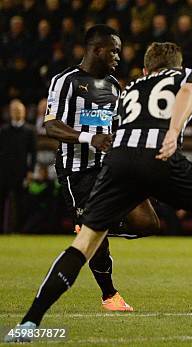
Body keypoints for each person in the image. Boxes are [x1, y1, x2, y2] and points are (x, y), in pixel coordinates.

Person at [4, 42, 192, 343]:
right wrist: (173, 136)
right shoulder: (187, 75)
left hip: (119, 160)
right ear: (176, 65)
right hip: (161, 154)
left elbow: (122, 131)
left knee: (84, 243)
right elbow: (187, 93)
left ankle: (29, 322)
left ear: (146, 69)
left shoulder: (130, 88)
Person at [39, 25, 160, 313]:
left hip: (109, 168)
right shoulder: (65, 81)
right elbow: (50, 125)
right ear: (96, 49)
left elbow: (116, 128)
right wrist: (88, 137)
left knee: (148, 223)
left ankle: (93, 226)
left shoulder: (113, 85)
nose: (119, 56)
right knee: (97, 236)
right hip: (77, 170)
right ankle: (110, 296)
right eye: (114, 50)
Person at [0, 99, 37, 234]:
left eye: (20, 110)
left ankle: (21, 229)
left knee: (21, 203)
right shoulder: (4, 130)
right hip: (4, 172)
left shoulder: (29, 131)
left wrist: (31, 171)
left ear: (25, 112)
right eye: (15, 110)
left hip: (21, 172)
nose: (18, 113)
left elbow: (33, 153)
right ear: (10, 113)